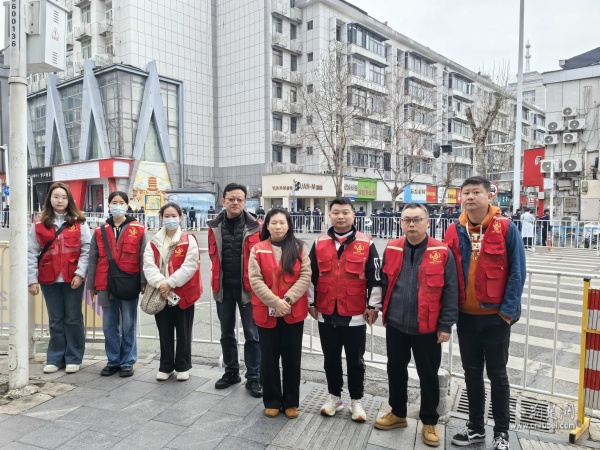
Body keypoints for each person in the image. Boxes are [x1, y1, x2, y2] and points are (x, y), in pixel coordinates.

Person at [444, 176, 526, 450]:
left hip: (495, 318)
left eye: (476, 192)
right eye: (465, 192)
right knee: (471, 373)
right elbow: (447, 273)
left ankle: (502, 433)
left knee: (498, 375)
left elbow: (518, 272)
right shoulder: (454, 229)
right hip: (465, 317)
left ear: (489, 195)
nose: (469, 197)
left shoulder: (506, 227)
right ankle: (476, 428)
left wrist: (507, 314)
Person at [375, 203, 458, 447]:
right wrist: (377, 309)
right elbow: (383, 282)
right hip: (397, 324)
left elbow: (451, 290)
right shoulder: (392, 247)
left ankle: (429, 421)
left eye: (417, 219)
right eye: (407, 220)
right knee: (395, 369)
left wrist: (446, 325)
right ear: (401, 222)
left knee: (428, 375)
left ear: (427, 222)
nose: (412, 224)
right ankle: (398, 413)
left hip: (428, 326)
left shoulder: (441, 251)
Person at [308, 197, 382, 422]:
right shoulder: (319, 243)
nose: (341, 216)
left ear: (353, 215)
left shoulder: (366, 243)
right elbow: (310, 276)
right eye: (336, 212)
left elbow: (375, 278)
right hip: (326, 311)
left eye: (345, 212)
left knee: (355, 360)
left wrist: (373, 306)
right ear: (329, 215)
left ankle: (356, 401)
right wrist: (311, 303)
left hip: (355, 313)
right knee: (330, 359)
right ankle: (334, 397)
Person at [249, 208, 311, 419]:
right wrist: (275, 302)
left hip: (293, 311)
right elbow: (255, 279)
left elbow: (305, 276)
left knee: (292, 358)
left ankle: (291, 402)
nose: (278, 226)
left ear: (288, 225)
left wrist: (287, 300)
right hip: (266, 312)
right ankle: (272, 400)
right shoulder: (258, 249)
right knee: (269, 358)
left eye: (282, 223)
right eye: (273, 223)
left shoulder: (299, 248)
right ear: (266, 225)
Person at [27, 182, 91, 374]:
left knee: (73, 318)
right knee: (55, 319)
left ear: (69, 199)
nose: (60, 200)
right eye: (56, 196)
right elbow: (31, 252)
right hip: (49, 278)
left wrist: (80, 273)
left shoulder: (79, 222)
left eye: (64, 197)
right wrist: (32, 280)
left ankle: (73, 358)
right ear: (50, 199)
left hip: (73, 279)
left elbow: (87, 249)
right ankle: (55, 358)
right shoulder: (39, 224)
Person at [207, 183, 262, 397]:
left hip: (248, 289)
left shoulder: (256, 226)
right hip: (223, 288)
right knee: (226, 333)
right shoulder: (214, 226)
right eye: (231, 199)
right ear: (223, 201)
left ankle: (254, 376)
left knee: (252, 335)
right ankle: (231, 372)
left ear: (245, 202)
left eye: (239, 199)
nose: (235, 203)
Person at [87, 191, 147, 377]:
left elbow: (144, 256)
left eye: (121, 202)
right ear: (108, 205)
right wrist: (91, 285)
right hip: (105, 282)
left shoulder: (139, 229)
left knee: (129, 323)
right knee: (109, 324)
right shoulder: (99, 231)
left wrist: (143, 281)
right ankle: (113, 360)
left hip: (129, 281)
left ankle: (127, 361)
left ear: (127, 206)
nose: (118, 206)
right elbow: (93, 258)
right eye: (114, 202)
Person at [143, 202, 202, 381]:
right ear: (161, 218)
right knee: (164, 331)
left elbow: (190, 265)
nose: (170, 219)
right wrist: (162, 284)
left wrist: (170, 283)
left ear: (180, 218)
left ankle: (183, 365)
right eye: (167, 216)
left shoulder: (188, 239)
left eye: (174, 216)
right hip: (161, 293)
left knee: (184, 331)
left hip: (183, 293)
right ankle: (166, 366)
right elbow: (149, 266)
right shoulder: (153, 242)